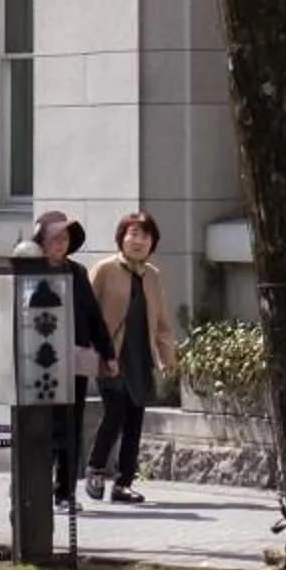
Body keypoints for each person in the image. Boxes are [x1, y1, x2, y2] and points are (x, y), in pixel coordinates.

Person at [84, 210, 178, 505]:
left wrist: (167, 357)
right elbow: (85, 311)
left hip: (140, 357)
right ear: (121, 238)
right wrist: (92, 350)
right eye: (133, 234)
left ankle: (123, 483)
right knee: (115, 414)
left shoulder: (152, 276)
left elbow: (161, 320)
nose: (139, 241)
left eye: (145, 235)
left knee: (135, 419)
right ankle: (96, 469)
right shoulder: (105, 269)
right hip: (110, 356)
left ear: (153, 243)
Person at [27, 210, 114, 512]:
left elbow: (93, 316)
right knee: (44, 427)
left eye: (65, 239)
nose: (60, 245)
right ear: (41, 242)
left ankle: (65, 492)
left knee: (71, 426)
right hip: (38, 365)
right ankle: (36, 489)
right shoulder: (30, 273)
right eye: (54, 239)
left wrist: (108, 354)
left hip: (73, 361)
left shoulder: (76, 273)